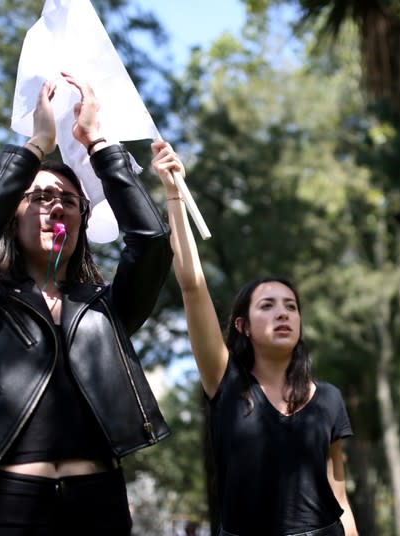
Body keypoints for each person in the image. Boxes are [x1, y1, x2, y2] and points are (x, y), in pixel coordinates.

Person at [0, 75, 173, 535]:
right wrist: (37, 144)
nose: (56, 208)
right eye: (41, 197)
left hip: (97, 505)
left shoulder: (106, 310)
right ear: (13, 215)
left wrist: (98, 145)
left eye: (70, 202)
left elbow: (151, 244)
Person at [151, 141, 358, 536]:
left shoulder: (329, 398)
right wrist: (173, 192)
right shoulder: (224, 382)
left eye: (291, 306)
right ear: (243, 326)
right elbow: (192, 285)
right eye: (268, 306)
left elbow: (340, 496)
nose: (283, 313)